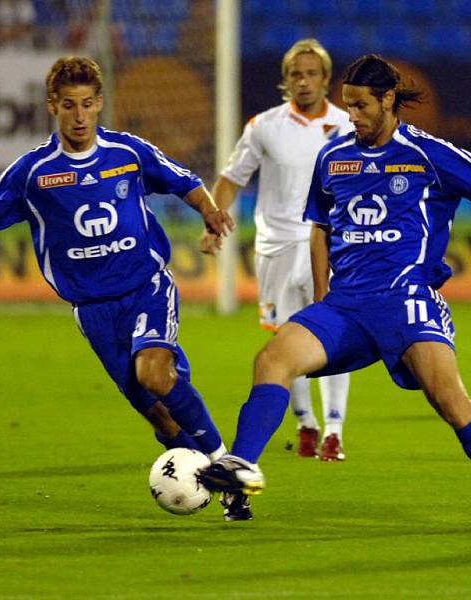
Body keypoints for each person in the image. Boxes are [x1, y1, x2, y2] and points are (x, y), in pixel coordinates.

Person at [200, 54, 471, 532]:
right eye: (348, 106)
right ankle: (241, 464)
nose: (353, 116)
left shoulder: (428, 153)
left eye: (361, 105)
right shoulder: (334, 156)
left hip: (407, 300)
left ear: (388, 100)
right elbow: (320, 225)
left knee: (449, 400)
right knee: (272, 359)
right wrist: (322, 296)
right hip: (346, 305)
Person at [0, 56, 248, 520]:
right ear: (52, 106)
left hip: (146, 286)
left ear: (99, 104)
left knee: (154, 375)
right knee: (160, 416)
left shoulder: (127, 153)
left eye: (88, 105)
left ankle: (226, 469)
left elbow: (186, 182)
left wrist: (210, 211)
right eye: (69, 105)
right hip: (93, 309)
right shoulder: (32, 172)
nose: (79, 116)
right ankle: (199, 474)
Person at [203, 38, 352, 461]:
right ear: (284, 81)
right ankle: (306, 425)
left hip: (332, 245)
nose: (303, 82)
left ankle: (335, 431)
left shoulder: (347, 126)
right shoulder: (264, 126)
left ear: (326, 79)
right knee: (289, 341)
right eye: (295, 75)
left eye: (311, 74)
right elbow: (232, 178)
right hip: (277, 248)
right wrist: (213, 219)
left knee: (334, 337)